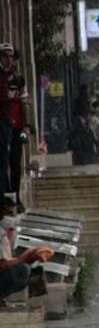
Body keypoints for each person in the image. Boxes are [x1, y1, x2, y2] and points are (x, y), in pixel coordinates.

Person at [0, 44, 30, 209]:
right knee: (3, 162)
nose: (9, 59)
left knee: (15, 162)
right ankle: (6, 197)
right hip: (3, 125)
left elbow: (24, 102)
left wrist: (26, 125)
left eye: (11, 56)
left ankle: (16, 196)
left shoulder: (18, 80)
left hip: (17, 126)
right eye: (5, 56)